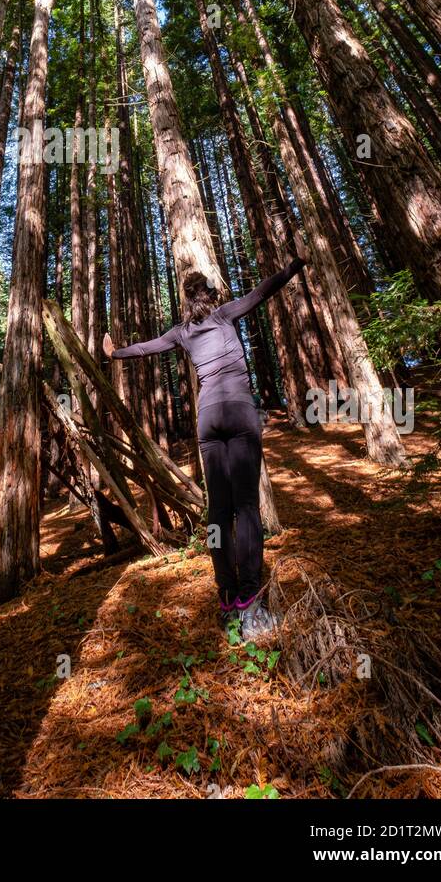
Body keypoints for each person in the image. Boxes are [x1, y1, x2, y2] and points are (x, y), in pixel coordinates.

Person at [103, 234, 310, 642]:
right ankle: (251, 603)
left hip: (208, 421)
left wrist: (115, 353)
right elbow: (264, 289)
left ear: (186, 301)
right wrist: (296, 263)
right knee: (247, 507)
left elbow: (147, 348)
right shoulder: (226, 315)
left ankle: (228, 599)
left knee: (219, 513)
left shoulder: (182, 332)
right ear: (211, 295)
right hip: (240, 414)